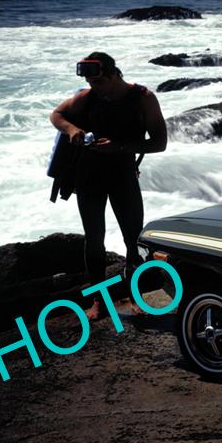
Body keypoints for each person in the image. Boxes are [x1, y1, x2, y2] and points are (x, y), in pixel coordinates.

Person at [50, 52, 168, 321]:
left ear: (115, 74)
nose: (95, 87)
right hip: (88, 176)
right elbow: (56, 114)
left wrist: (120, 147)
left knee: (133, 237)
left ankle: (136, 296)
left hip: (123, 174)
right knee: (94, 239)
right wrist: (71, 130)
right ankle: (98, 300)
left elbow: (160, 143)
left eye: (99, 81)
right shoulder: (87, 97)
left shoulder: (143, 98)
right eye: (90, 82)